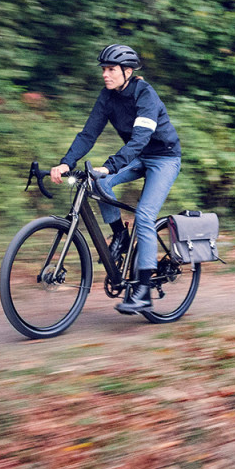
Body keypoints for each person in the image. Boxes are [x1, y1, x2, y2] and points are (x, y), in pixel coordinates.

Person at [50, 44, 181, 314]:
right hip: (137, 157)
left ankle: (143, 291)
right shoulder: (107, 96)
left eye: (111, 69)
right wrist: (66, 162)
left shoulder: (145, 94)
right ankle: (120, 236)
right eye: (104, 70)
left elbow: (140, 139)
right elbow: (89, 133)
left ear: (127, 71)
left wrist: (111, 165)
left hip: (164, 159)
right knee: (98, 181)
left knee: (144, 215)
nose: (105, 75)